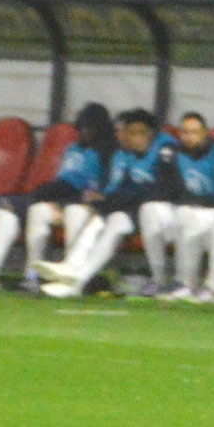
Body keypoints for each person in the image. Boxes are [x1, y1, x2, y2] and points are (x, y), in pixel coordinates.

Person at [0, 100, 110, 292]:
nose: (84, 132)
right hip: (47, 194)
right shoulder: (74, 148)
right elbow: (61, 180)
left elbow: (96, 188)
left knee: (9, 208)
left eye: (90, 128)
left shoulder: (106, 152)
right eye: (81, 127)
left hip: (68, 200)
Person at [33, 108, 176, 296]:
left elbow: (161, 189)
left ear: (152, 133)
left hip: (169, 212)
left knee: (141, 210)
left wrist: (109, 203)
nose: (135, 138)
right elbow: (126, 189)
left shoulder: (166, 148)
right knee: (111, 219)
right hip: (138, 210)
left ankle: (162, 280)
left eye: (139, 133)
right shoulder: (129, 155)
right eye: (131, 133)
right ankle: (74, 275)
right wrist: (103, 205)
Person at [140, 110, 214, 302]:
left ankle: (185, 282)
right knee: (150, 209)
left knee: (188, 213)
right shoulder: (172, 153)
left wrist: (197, 202)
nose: (188, 137)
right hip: (184, 210)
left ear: (205, 133)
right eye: (184, 132)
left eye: (194, 132)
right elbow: (164, 189)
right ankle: (159, 279)